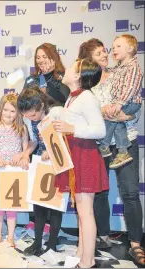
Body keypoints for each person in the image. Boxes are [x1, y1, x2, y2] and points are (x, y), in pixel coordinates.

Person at [79, 38, 144, 265]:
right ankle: (102, 236)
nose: (105, 55)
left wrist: (127, 114)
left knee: (130, 192)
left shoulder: (122, 71)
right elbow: (91, 113)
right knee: (99, 192)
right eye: (99, 54)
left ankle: (136, 243)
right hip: (102, 142)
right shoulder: (88, 84)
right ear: (89, 60)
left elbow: (134, 103)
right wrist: (108, 112)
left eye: (105, 50)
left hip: (127, 139)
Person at [51, 59, 108, 268]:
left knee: (86, 212)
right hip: (75, 156)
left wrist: (71, 128)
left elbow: (100, 130)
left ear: (77, 76)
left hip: (85, 156)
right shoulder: (73, 98)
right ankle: (84, 254)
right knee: (82, 212)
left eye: (71, 67)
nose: (65, 69)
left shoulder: (87, 98)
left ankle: (87, 262)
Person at [17, 86, 63, 256]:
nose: (29, 118)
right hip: (40, 162)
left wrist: (50, 150)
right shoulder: (29, 119)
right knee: (38, 204)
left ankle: (52, 244)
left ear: (42, 106)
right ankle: (37, 242)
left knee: (56, 204)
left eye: (33, 115)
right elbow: (34, 141)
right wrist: (25, 153)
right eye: (26, 115)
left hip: (58, 162)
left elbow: (65, 138)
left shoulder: (57, 112)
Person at [98, 35, 143, 169]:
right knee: (117, 122)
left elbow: (130, 88)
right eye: (112, 48)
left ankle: (104, 145)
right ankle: (122, 151)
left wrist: (118, 104)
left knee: (112, 117)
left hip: (130, 103)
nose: (113, 50)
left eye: (118, 46)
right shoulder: (117, 68)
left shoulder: (133, 68)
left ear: (130, 49)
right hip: (122, 103)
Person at [0, 94, 29, 248]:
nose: (8, 114)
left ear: (18, 112)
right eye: (6, 110)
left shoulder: (22, 128)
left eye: (13, 111)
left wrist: (21, 157)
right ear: (0, 109)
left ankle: (11, 237)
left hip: (14, 173)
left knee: (12, 206)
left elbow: (25, 150)